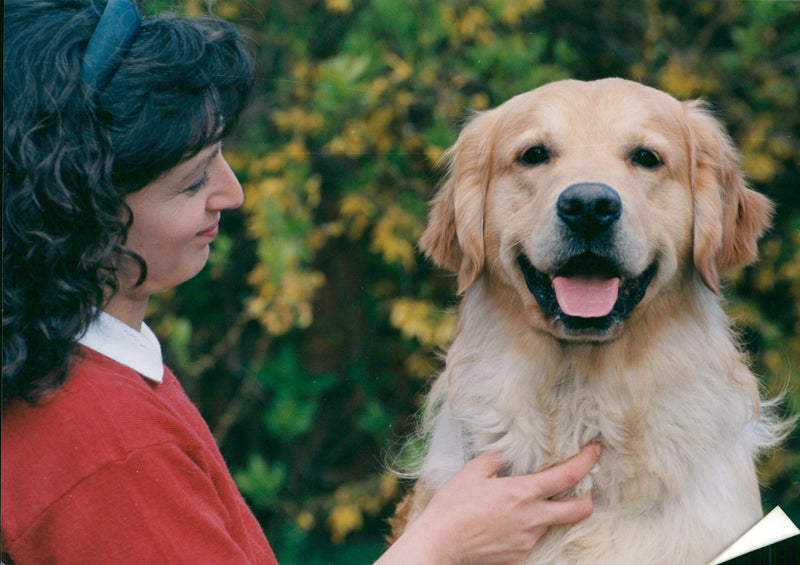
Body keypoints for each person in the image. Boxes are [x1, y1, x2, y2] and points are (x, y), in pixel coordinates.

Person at [1, 1, 601, 563]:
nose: (231, 194)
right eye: (192, 182)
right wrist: (439, 544)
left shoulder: (79, 366)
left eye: (221, 157)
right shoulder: (109, 448)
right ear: (76, 211)